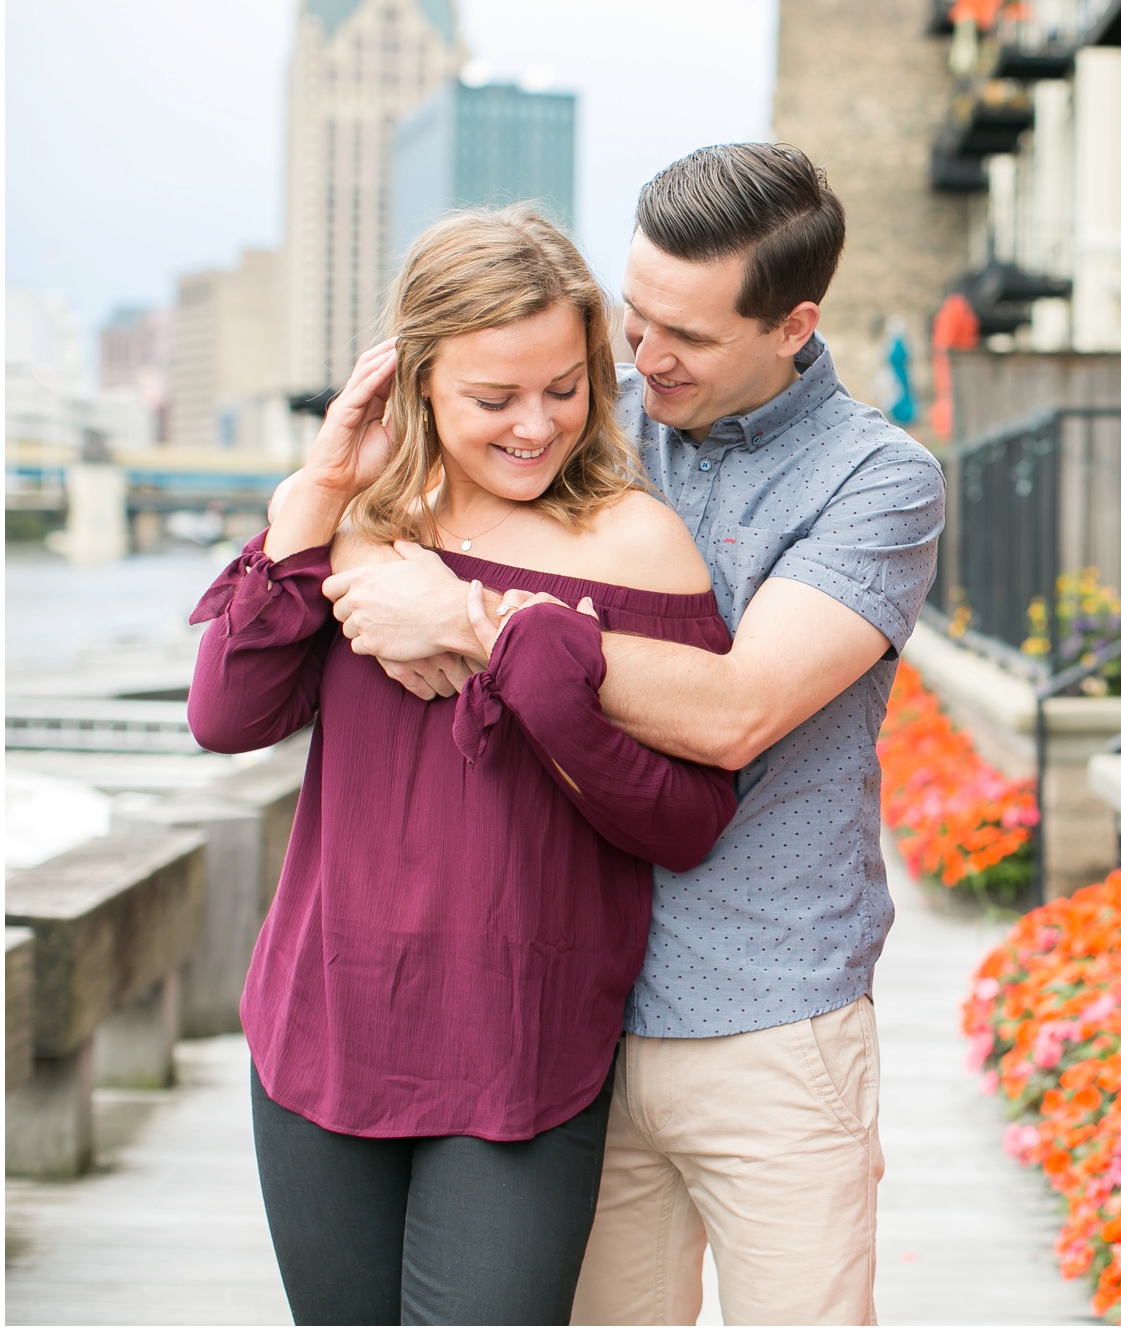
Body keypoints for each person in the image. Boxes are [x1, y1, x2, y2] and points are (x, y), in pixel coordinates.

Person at [304, 144, 945, 1324]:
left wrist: (485, 622)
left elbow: (739, 707)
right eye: (633, 318)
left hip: (768, 1017)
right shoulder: (582, 418)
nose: (644, 362)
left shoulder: (876, 481)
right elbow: (385, 517)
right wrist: (357, 555)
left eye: (686, 338)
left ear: (794, 323)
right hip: (563, 1028)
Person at [188, 207, 739, 1326]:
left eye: (564, 387)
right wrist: (314, 493)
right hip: (323, 1026)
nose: (536, 426)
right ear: (418, 381)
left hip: (519, 1048)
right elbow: (228, 715)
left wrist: (528, 654)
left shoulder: (638, 545)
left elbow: (683, 822)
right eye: (494, 398)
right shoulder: (359, 528)